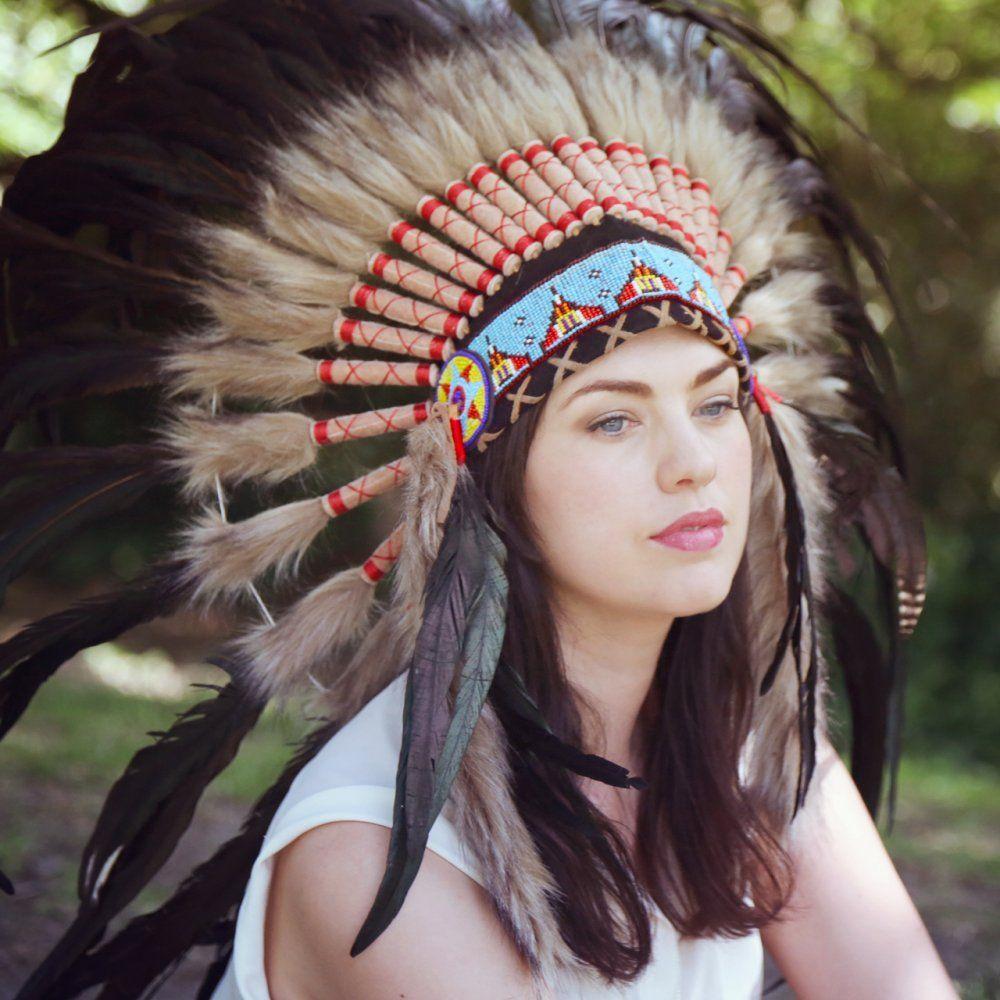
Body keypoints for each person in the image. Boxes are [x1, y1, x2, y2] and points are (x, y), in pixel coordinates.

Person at [0, 1, 948, 998]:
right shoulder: (370, 849)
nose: (692, 463)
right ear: (485, 483)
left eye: (715, 405)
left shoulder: (753, 750)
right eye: (611, 421)